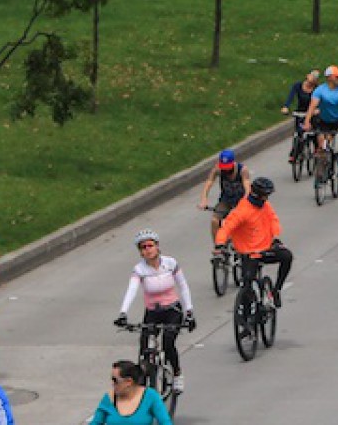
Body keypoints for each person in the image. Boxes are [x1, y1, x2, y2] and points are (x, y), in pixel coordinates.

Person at [113, 228, 194, 395]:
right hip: (152, 312)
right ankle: (143, 382)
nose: (147, 249)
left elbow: (183, 287)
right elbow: (132, 290)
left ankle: (177, 373)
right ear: (140, 252)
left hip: (172, 310)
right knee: (144, 345)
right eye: (143, 247)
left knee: (168, 342)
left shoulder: (170, 263)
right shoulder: (139, 270)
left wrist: (189, 312)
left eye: (150, 245)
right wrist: (123, 313)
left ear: (157, 246)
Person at [213, 177, 292, 302]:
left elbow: (273, 220)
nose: (266, 199)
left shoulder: (265, 205)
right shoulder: (242, 211)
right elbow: (226, 228)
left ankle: (276, 290)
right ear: (256, 195)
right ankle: (247, 310)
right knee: (248, 281)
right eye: (264, 196)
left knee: (287, 256)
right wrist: (220, 245)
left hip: (266, 248)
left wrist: (275, 237)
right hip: (250, 253)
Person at [90, 359, 174, 425]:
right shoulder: (109, 398)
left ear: (128, 381)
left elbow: (165, 422)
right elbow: (95, 423)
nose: (112, 384)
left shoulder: (150, 396)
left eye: (115, 380)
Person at [305, 65, 338, 168]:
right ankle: (322, 172)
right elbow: (312, 106)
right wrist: (307, 122)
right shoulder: (320, 90)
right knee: (322, 147)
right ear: (329, 77)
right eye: (337, 76)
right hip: (325, 121)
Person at [196, 149, 249, 230]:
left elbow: (247, 188)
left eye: (228, 167)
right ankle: (218, 242)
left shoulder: (242, 170)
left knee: (243, 223)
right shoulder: (217, 169)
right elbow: (209, 182)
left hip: (241, 201)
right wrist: (204, 200)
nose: (226, 170)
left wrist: (244, 202)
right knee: (215, 220)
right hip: (226, 200)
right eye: (224, 167)